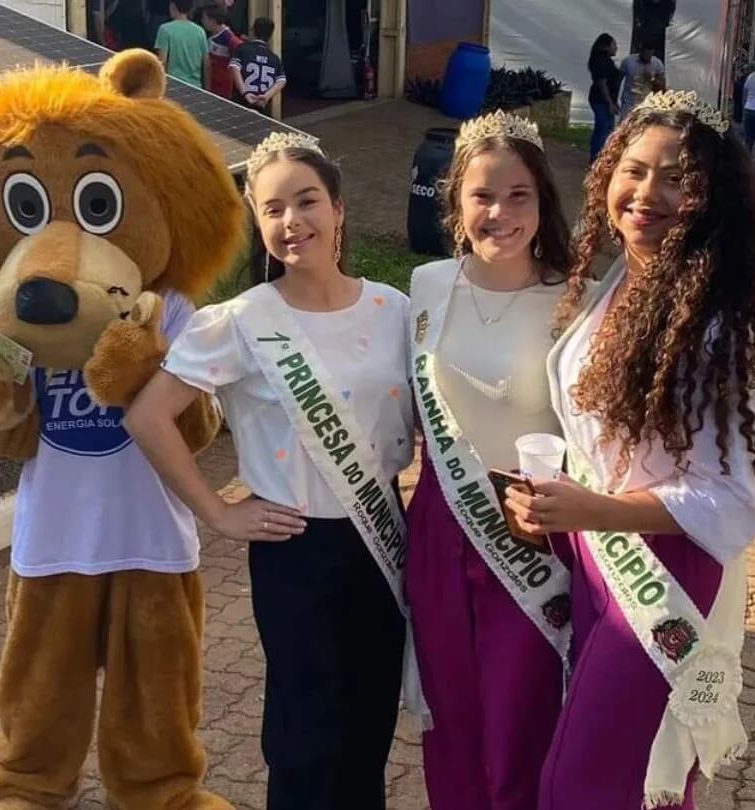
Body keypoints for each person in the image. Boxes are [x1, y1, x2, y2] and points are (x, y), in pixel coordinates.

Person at [125, 132, 415, 810]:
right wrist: (218, 512)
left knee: (369, 725)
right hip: (295, 547)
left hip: (382, 540)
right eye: (273, 209)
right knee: (304, 737)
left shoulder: (394, 309)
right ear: (258, 222)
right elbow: (148, 417)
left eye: (307, 201)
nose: (292, 222)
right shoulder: (239, 323)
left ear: (338, 208)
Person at [506, 90, 755, 809]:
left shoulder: (715, 327)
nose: (646, 193)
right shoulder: (617, 285)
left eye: (676, 178)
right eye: (634, 170)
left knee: (586, 784)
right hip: (599, 556)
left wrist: (594, 509)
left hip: (665, 573)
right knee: (629, 778)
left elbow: (735, 497)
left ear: (710, 197)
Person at [405, 109, 574, 810]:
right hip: (439, 527)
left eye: (518, 195)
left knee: (521, 722)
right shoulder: (426, 286)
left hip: (532, 535)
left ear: (542, 202)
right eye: (482, 195)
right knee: (451, 719)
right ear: (457, 200)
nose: (499, 213)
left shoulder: (574, 297)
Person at [230, 17, 286, 115]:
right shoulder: (274, 58)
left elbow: (234, 68)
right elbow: (281, 80)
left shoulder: (242, 49)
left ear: (252, 31)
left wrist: (245, 93)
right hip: (262, 105)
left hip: (241, 103)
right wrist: (267, 96)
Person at [155, 0, 209, 89]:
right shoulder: (200, 31)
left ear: (173, 6)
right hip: (195, 86)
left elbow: (162, 61)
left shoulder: (165, 29)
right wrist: (207, 89)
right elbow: (206, 63)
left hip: (173, 86)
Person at [588, 33, 622, 162]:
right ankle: (596, 158)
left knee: (608, 129)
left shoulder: (607, 61)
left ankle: (603, 156)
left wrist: (613, 102)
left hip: (607, 100)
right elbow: (602, 84)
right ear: (606, 46)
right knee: (602, 128)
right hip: (600, 100)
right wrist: (609, 103)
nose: (616, 48)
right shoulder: (601, 62)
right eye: (614, 45)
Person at [200, 3, 242, 99]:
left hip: (223, 89)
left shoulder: (229, 38)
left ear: (212, 21)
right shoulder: (210, 35)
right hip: (212, 84)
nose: (202, 21)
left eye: (204, 18)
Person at [619, 41, 667, 116]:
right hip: (629, 102)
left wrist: (651, 79)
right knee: (626, 122)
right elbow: (618, 80)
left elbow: (662, 85)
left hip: (648, 102)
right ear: (641, 51)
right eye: (645, 55)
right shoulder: (628, 61)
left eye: (649, 55)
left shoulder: (657, 63)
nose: (647, 58)